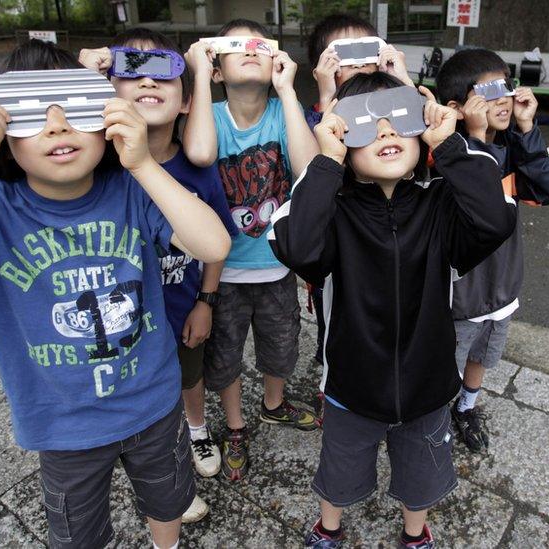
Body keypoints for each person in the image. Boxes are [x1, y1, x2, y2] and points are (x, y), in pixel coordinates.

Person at [0, 40, 231, 549]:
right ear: (0, 127)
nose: (56, 124)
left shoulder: (132, 187)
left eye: (74, 108)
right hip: (62, 422)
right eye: (31, 111)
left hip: (153, 402)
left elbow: (212, 243)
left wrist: (144, 164)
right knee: (78, 533)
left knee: (167, 501)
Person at [269, 72, 517, 548]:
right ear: (340, 134)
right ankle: (329, 526)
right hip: (351, 383)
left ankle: (415, 532)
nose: (384, 130)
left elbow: (496, 218)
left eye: (398, 117)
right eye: (363, 123)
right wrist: (326, 163)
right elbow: (296, 247)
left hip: (428, 383)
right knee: (340, 468)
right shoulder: (329, 208)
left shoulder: (442, 202)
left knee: (422, 471)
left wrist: (449, 146)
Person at [78, 28, 241, 521]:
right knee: (143, 412)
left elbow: (216, 242)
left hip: (181, 307)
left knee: (190, 380)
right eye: (130, 70)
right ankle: (163, 476)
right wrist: (82, 77)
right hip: (121, 326)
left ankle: (197, 430)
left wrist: (205, 302)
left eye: (165, 74)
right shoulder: (95, 166)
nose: (148, 81)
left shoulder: (197, 166)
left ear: (187, 100)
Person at [181, 19, 321, 481]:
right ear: (217, 67)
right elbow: (201, 153)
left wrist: (288, 91)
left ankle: (274, 403)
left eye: (260, 46)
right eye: (235, 46)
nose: (250, 51)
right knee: (225, 356)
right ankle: (236, 425)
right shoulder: (210, 116)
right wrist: (198, 75)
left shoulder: (285, 112)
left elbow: (306, 167)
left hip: (277, 266)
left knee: (282, 348)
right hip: (221, 273)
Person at [436, 48, 549, 453]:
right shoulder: (448, 154)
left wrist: (527, 129)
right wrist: (473, 138)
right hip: (461, 293)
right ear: (458, 107)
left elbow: (547, 190)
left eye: (505, 87)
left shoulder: (513, 146)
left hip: (502, 286)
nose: (502, 100)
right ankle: (436, 416)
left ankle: (467, 407)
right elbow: (478, 195)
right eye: (486, 92)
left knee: (484, 355)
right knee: (447, 362)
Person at [303, 13, 416, 423]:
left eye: (370, 51)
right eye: (344, 56)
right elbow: (309, 171)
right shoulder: (319, 116)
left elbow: (428, 147)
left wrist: (400, 79)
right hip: (342, 249)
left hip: (403, 245)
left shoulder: (400, 114)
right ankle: (331, 381)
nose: (363, 64)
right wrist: (326, 95)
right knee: (338, 325)